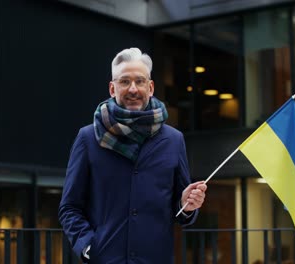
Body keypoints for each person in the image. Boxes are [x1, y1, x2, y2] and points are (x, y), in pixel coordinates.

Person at [58, 48, 207, 264]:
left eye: (140, 81)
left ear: (151, 87)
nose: (133, 89)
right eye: (124, 81)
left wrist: (187, 204)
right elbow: (69, 207)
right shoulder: (88, 138)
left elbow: (180, 209)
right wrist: (89, 246)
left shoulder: (174, 140)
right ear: (112, 88)